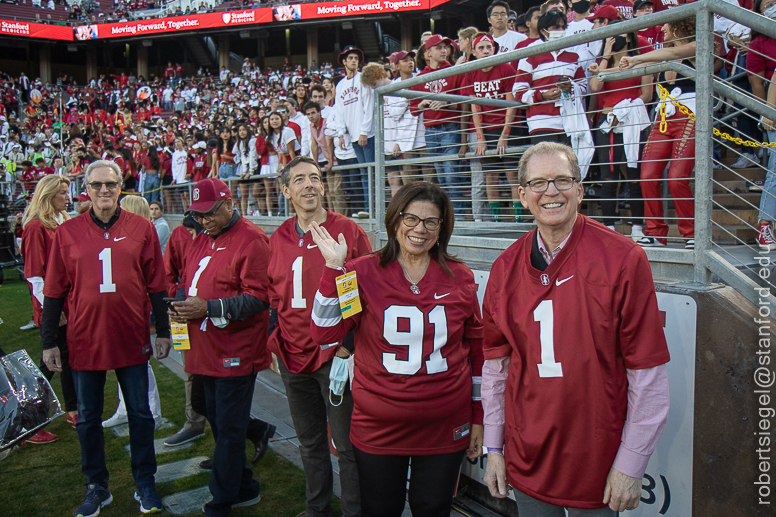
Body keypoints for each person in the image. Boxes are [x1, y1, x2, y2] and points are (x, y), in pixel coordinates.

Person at [481, 142, 670, 516]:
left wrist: (631, 463)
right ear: (523, 196)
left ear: (580, 190)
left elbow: (647, 373)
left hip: (598, 460)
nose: (551, 192)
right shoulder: (504, 268)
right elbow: (496, 370)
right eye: (538, 183)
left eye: (562, 181)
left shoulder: (624, 258)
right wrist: (494, 448)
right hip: (526, 453)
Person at [310, 181, 484, 517]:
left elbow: (477, 353)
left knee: (433, 509)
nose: (420, 229)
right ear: (395, 219)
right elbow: (323, 332)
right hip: (379, 425)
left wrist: (479, 417)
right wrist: (333, 268)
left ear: (442, 227)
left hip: (445, 423)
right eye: (411, 219)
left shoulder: (461, 277)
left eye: (431, 221)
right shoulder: (360, 272)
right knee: (380, 509)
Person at [40, 160, 170, 516]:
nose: (104, 191)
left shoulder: (142, 228)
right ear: (86, 188)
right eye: (96, 185)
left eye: (110, 184)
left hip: (130, 335)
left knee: (140, 414)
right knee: (87, 418)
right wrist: (49, 341)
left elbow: (157, 284)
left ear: (120, 187)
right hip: (85, 338)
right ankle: (97, 485)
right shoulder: (68, 232)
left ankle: (145, 482)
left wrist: (162, 330)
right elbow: (53, 291)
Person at [268, 156, 372, 517]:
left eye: (314, 177)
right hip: (291, 355)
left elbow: (367, 292)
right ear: (286, 191)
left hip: (334, 356)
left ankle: (354, 512)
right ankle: (317, 509)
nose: (309, 184)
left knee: (346, 445)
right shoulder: (278, 237)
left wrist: (348, 346)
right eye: (299, 180)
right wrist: (275, 342)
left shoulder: (348, 230)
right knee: (309, 442)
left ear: (323, 186)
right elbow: (274, 296)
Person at [171, 178, 271, 516]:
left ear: (229, 204)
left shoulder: (252, 239)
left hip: (235, 349)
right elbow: (188, 280)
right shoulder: (201, 237)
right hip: (205, 345)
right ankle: (243, 486)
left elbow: (260, 297)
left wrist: (210, 307)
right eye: (198, 215)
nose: (204, 220)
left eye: (210, 213)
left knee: (228, 427)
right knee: (216, 417)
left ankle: (222, 499)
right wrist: (179, 302)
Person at [620, 18, 697, 249]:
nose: (661, 28)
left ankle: (692, 233)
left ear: (679, 25)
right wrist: (602, 69)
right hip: (663, 119)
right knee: (647, 175)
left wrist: (636, 59)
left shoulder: (699, 45)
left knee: (677, 178)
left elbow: (676, 53)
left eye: (666, 24)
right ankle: (655, 232)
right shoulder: (662, 55)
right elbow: (635, 65)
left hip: (690, 117)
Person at [21, 174, 78, 439]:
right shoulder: (36, 227)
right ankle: (27, 418)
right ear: (48, 195)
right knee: (51, 360)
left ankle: (73, 409)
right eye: (62, 192)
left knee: (67, 357)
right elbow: (35, 275)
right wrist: (51, 309)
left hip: (67, 302)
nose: (67, 197)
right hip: (54, 306)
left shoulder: (60, 221)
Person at [101, 195, 163, 429]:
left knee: (138, 361)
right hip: (120, 305)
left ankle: (152, 411)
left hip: (135, 306)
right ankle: (124, 408)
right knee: (122, 359)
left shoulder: (144, 233)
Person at [587, 29, 653, 240]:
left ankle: (637, 228)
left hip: (633, 122)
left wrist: (624, 111)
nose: (616, 39)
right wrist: (606, 56)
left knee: (635, 176)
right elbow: (595, 86)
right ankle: (609, 229)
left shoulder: (640, 62)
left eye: (621, 34)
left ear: (630, 37)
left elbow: (647, 94)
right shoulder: (601, 65)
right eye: (612, 35)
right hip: (607, 123)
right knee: (608, 177)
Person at [461, 34, 520, 222]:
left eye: (489, 47)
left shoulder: (506, 68)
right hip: (487, 128)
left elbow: (511, 104)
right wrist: (480, 138)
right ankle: (496, 220)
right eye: (481, 48)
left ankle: (518, 220)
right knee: (491, 176)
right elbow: (475, 107)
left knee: (512, 175)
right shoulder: (471, 71)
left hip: (509, 126)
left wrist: (505, 135)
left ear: (494, 49)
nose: (486, 51)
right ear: (473, 52)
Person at [334, 46, 374, 218]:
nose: (354, 61)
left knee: (370, 172)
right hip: (353, 136)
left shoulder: (363, 79)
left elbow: (369, 106)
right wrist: (341, 133)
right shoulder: (340, 85)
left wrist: (364, 131)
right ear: (344, 61)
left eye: (356, 58)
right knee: (363, 173)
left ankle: (372, 208)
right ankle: (367, 207)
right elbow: (339, 111)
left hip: (367, 134)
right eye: (350, 58)